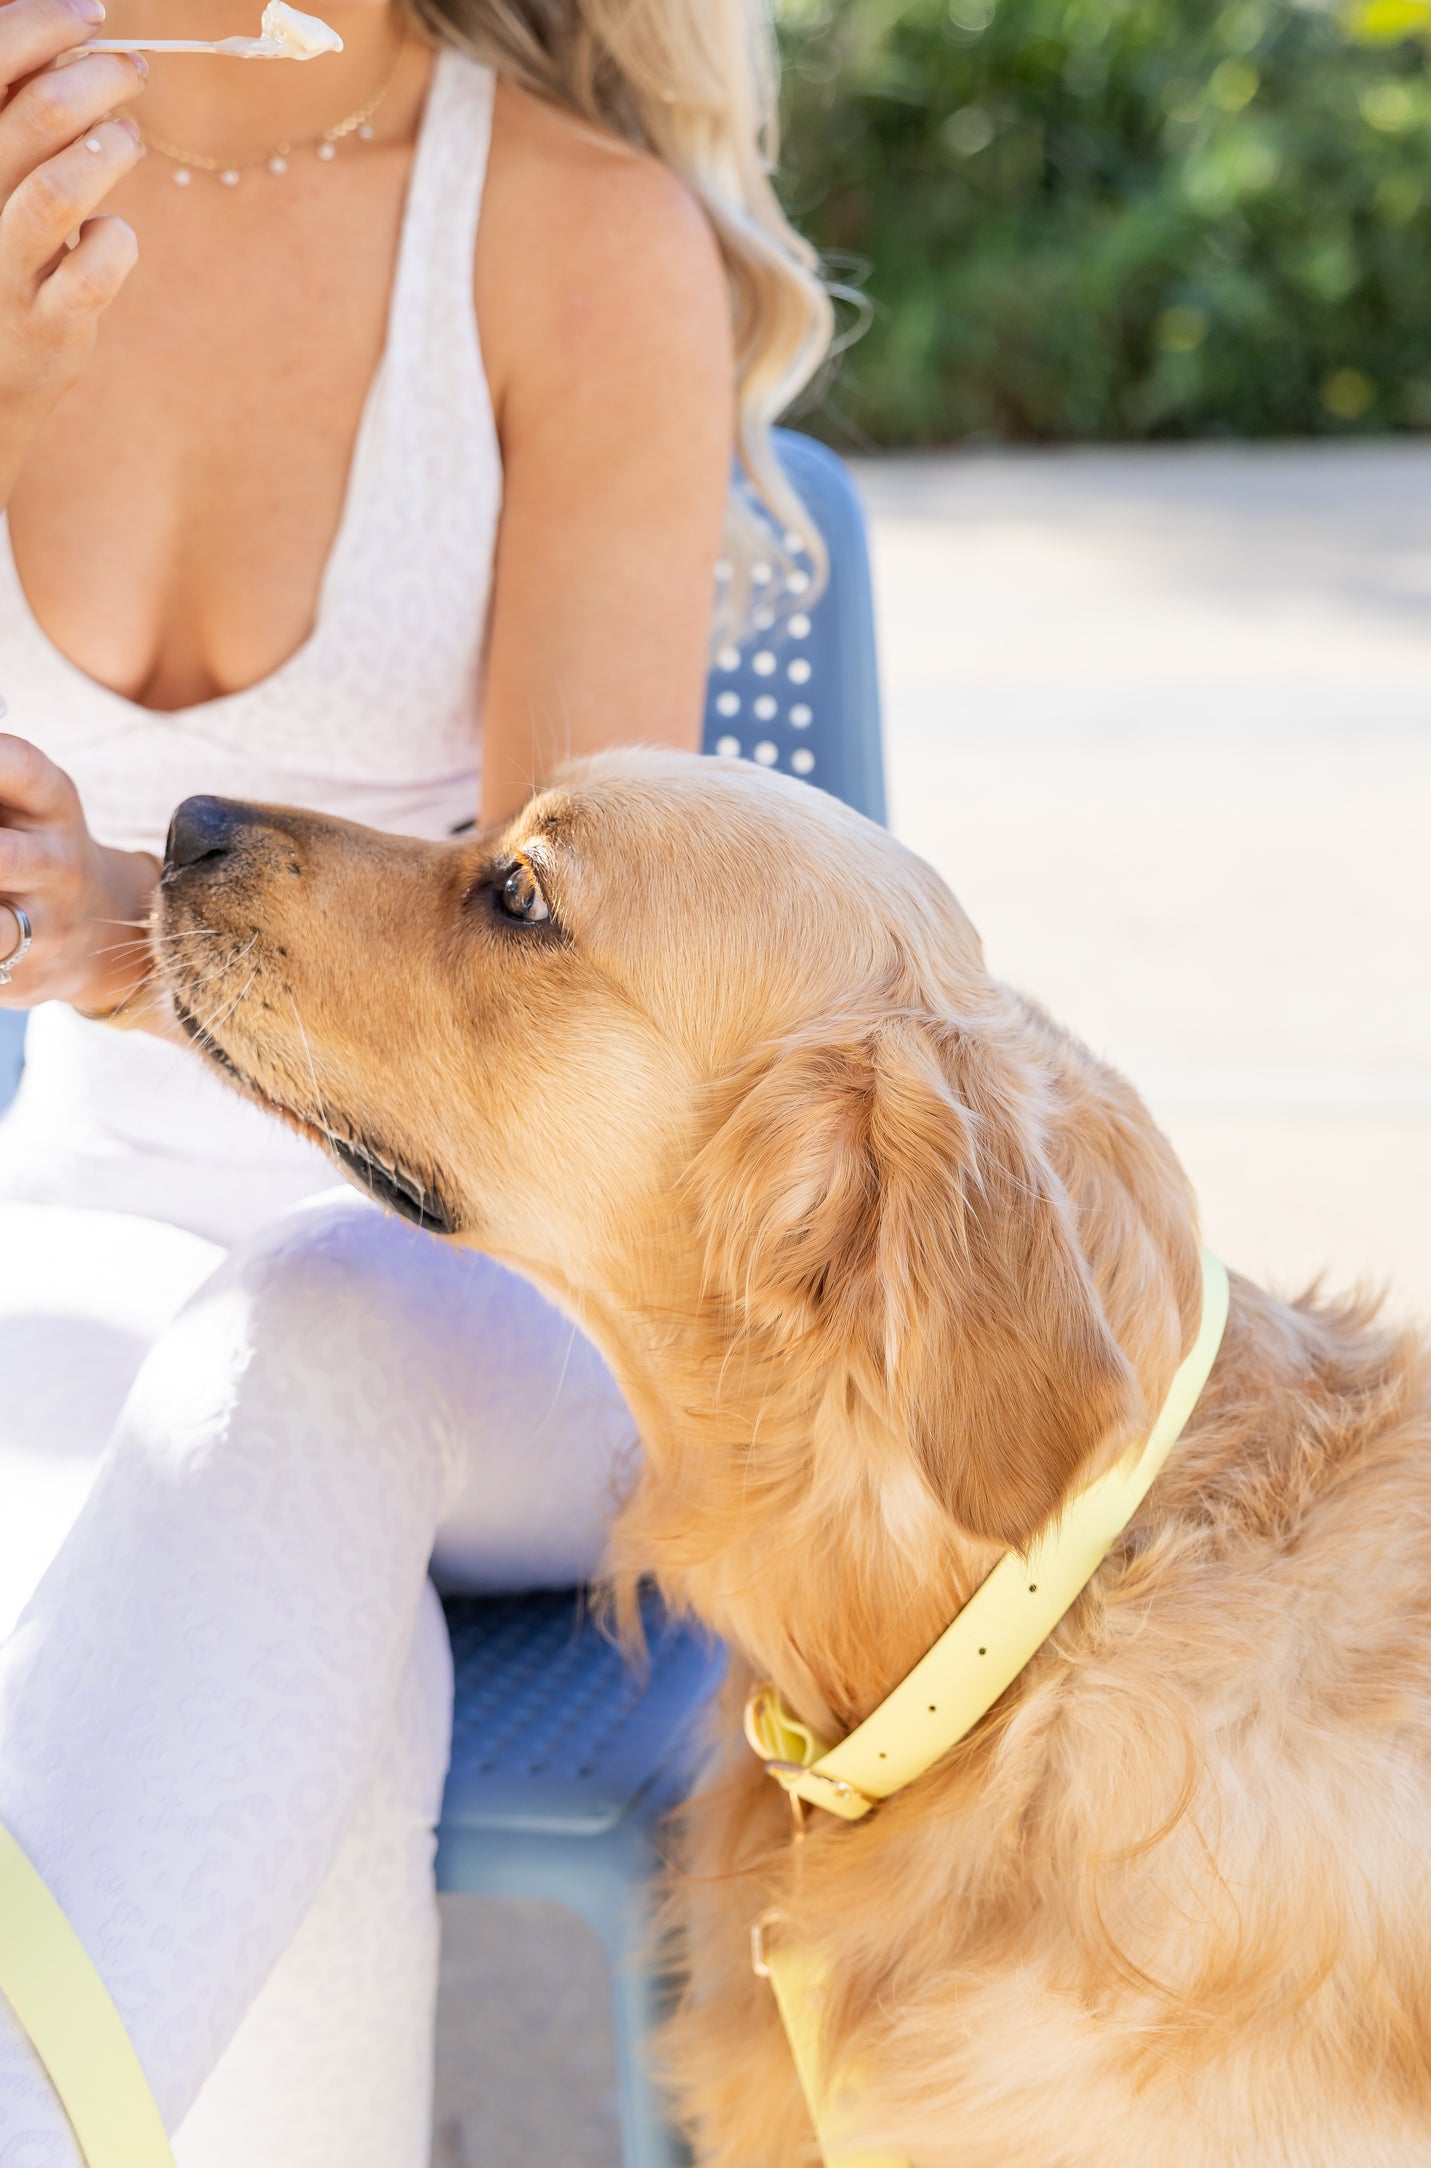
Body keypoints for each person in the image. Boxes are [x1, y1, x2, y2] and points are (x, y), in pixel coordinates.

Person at [0, 0, 830, 2152]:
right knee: (269, 1656)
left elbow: (572, 1023)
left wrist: (129, 930)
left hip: (509, 1276)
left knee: (306, 1338)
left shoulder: (578, 242)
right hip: (81, 1232)